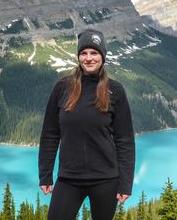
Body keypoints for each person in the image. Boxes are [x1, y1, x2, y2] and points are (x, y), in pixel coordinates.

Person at [38, 28, 135, 220]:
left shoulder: (115, 90)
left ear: (102, 56)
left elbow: (124, 140)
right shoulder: (62, 88)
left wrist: (126, 183)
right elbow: (50, 133)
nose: (89, 58)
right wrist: (45, 174)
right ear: (78, 56)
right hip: (69, 177)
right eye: (84, 53)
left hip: (106, 179)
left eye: (94, 53)